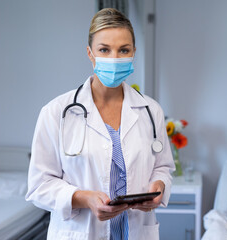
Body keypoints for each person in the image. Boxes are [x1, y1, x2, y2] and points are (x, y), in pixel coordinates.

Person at [25, 8, 175, 240]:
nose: (114, 58)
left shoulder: (150, 110)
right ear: (90, 53)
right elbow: (39, 186)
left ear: (133, 52)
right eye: (104, 49)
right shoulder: (56, 112)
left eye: (123, 50)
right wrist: (84, 198)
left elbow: (163, 167)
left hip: (136, 231)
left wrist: (158, 186)